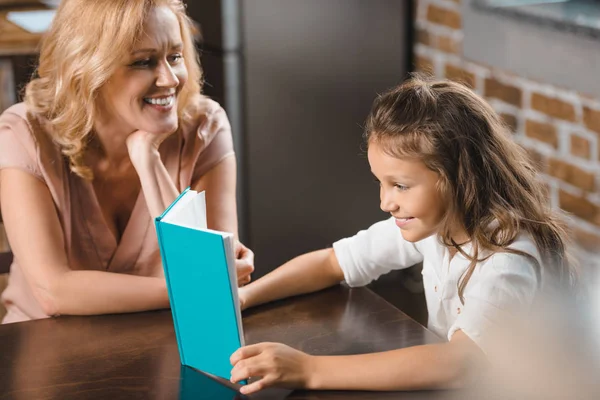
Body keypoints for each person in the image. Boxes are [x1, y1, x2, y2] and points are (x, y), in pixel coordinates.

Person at [229, 77, 577, 394]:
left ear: (459, 176)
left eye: (400, 186)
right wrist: (243, 297)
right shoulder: (437, 223)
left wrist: (308, 368)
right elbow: (333, 262)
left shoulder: (508, 259)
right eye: (381, 183)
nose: (385, 202)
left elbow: (460, 363)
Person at [0, 0, 254, 324]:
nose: (170, 79)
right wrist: (193, 286)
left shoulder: (204, 125)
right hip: (44, 346)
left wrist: (147, 159)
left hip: (162, 339)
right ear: (88, 68)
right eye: (143, 62)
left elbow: (210, 278)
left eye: (174, 57)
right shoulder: (25, 132)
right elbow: (54, 291)